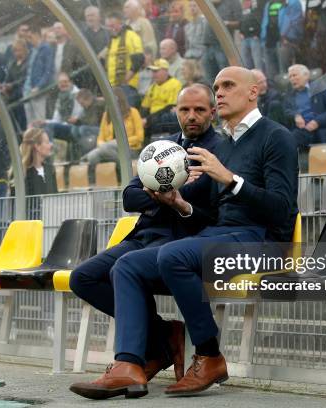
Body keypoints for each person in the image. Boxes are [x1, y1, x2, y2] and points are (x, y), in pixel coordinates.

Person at [70, 67, 298, 399]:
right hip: (222, 234)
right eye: (217, 85)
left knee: (172, 253)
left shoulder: (275, 136)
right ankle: (129, 365)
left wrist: (230, 179)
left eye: (228, 86)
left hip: (263, 241)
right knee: (127, 266)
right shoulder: (226, 145)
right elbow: (213, 214)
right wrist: (182, 204)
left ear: (253, 92)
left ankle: (209, 354)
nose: (219, 92)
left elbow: (282, 210)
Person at [69, 84, 222, 399]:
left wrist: (178, 200)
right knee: (82, 277)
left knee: (125, 269)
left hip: (180, 241)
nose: (191, 116)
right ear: (176, 112)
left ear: (212, 112)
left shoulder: (217, 153)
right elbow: (130, 195)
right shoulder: (163, 149)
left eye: (199, 110)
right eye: (184, 110)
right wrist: (162, 197)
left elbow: (211, 211)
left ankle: (129, 363)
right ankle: (163, 334)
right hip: (143, 236)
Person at [84, 87, 144, 182]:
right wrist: (103, 145)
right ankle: (104, 180)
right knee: (92, 157)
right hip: (109, 149)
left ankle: (122, 172)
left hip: (130, 149)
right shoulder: (106, 115)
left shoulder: (133, 112)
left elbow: (140, 137)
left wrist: (120, 142)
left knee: (104, 148)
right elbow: (100, 137)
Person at [284, 64, 326, 147]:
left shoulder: (321, 88)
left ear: (306, 76)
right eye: (290, 77)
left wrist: (317, 121)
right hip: (300, 130)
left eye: (294, 75)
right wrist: (295, 116)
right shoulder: (289, 95)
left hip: (319, 128)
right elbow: (287, 111)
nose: (292, 79)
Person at [104, 11, 145, 107]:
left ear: (121, 24)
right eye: (108, 26)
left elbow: (139, 59)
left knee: (126, 116)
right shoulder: (111, 40)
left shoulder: (131, 35)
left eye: (113, 25)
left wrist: (125, 80)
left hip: (127, 87)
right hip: (112, 87)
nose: (111, 28)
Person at [141, 59, 183, 140]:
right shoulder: (152, 87)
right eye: (152, 71)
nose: (153, 74)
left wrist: (148, 119)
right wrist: (141, 119)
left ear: (165, 71)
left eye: (156, 71)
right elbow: (144, 107)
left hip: (165, 119)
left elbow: (170, 107)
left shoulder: (175, 84)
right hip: (151, 119)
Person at [23, 26, 55, 125]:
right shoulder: (32, 50)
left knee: (39, 120)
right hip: (27, 89)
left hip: (37, 90)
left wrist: (39, 86)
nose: (29, 40)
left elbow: (48, 70)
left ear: (37, 35)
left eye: (30, 37)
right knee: (30, 121)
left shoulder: (46, 49)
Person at [19, 127, 57, 196]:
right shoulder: (22, 172)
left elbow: (55, 198)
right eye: (47, 142)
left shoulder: (50, 169)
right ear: (37, 146)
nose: (51, 145)